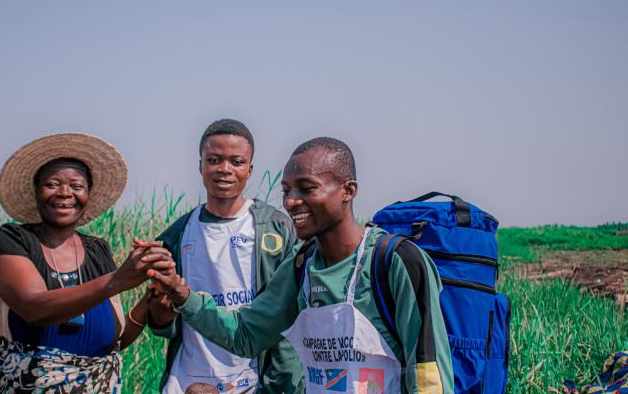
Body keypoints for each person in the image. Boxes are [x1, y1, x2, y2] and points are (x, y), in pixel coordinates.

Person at [149, 137, 454, 393]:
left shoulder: (395, 262)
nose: (291, 201)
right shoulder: (301, 267)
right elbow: (245, 334)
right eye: (286, 190)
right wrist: (182, 295)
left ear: (348, 191)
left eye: (306, 189)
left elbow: (429, 373)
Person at [0, 133, 174, 394]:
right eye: (52, 184)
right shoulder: (16, 240)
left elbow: (111, 341)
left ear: (88, 195)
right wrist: (118, 280)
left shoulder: (97, 250)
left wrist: (150, 300)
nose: (65, 193)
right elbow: (34, 309)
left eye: (76, 186)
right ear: (36, 191)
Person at [146, 119, 303, 393]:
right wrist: (160, 317)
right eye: (214, 159)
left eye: (236, 161)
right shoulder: (177, 234)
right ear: (200, 165)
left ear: (250, 169)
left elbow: (289, 320)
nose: (225, 170)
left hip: (253, 380)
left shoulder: (278, 228)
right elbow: (164, 322)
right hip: (188, 381)